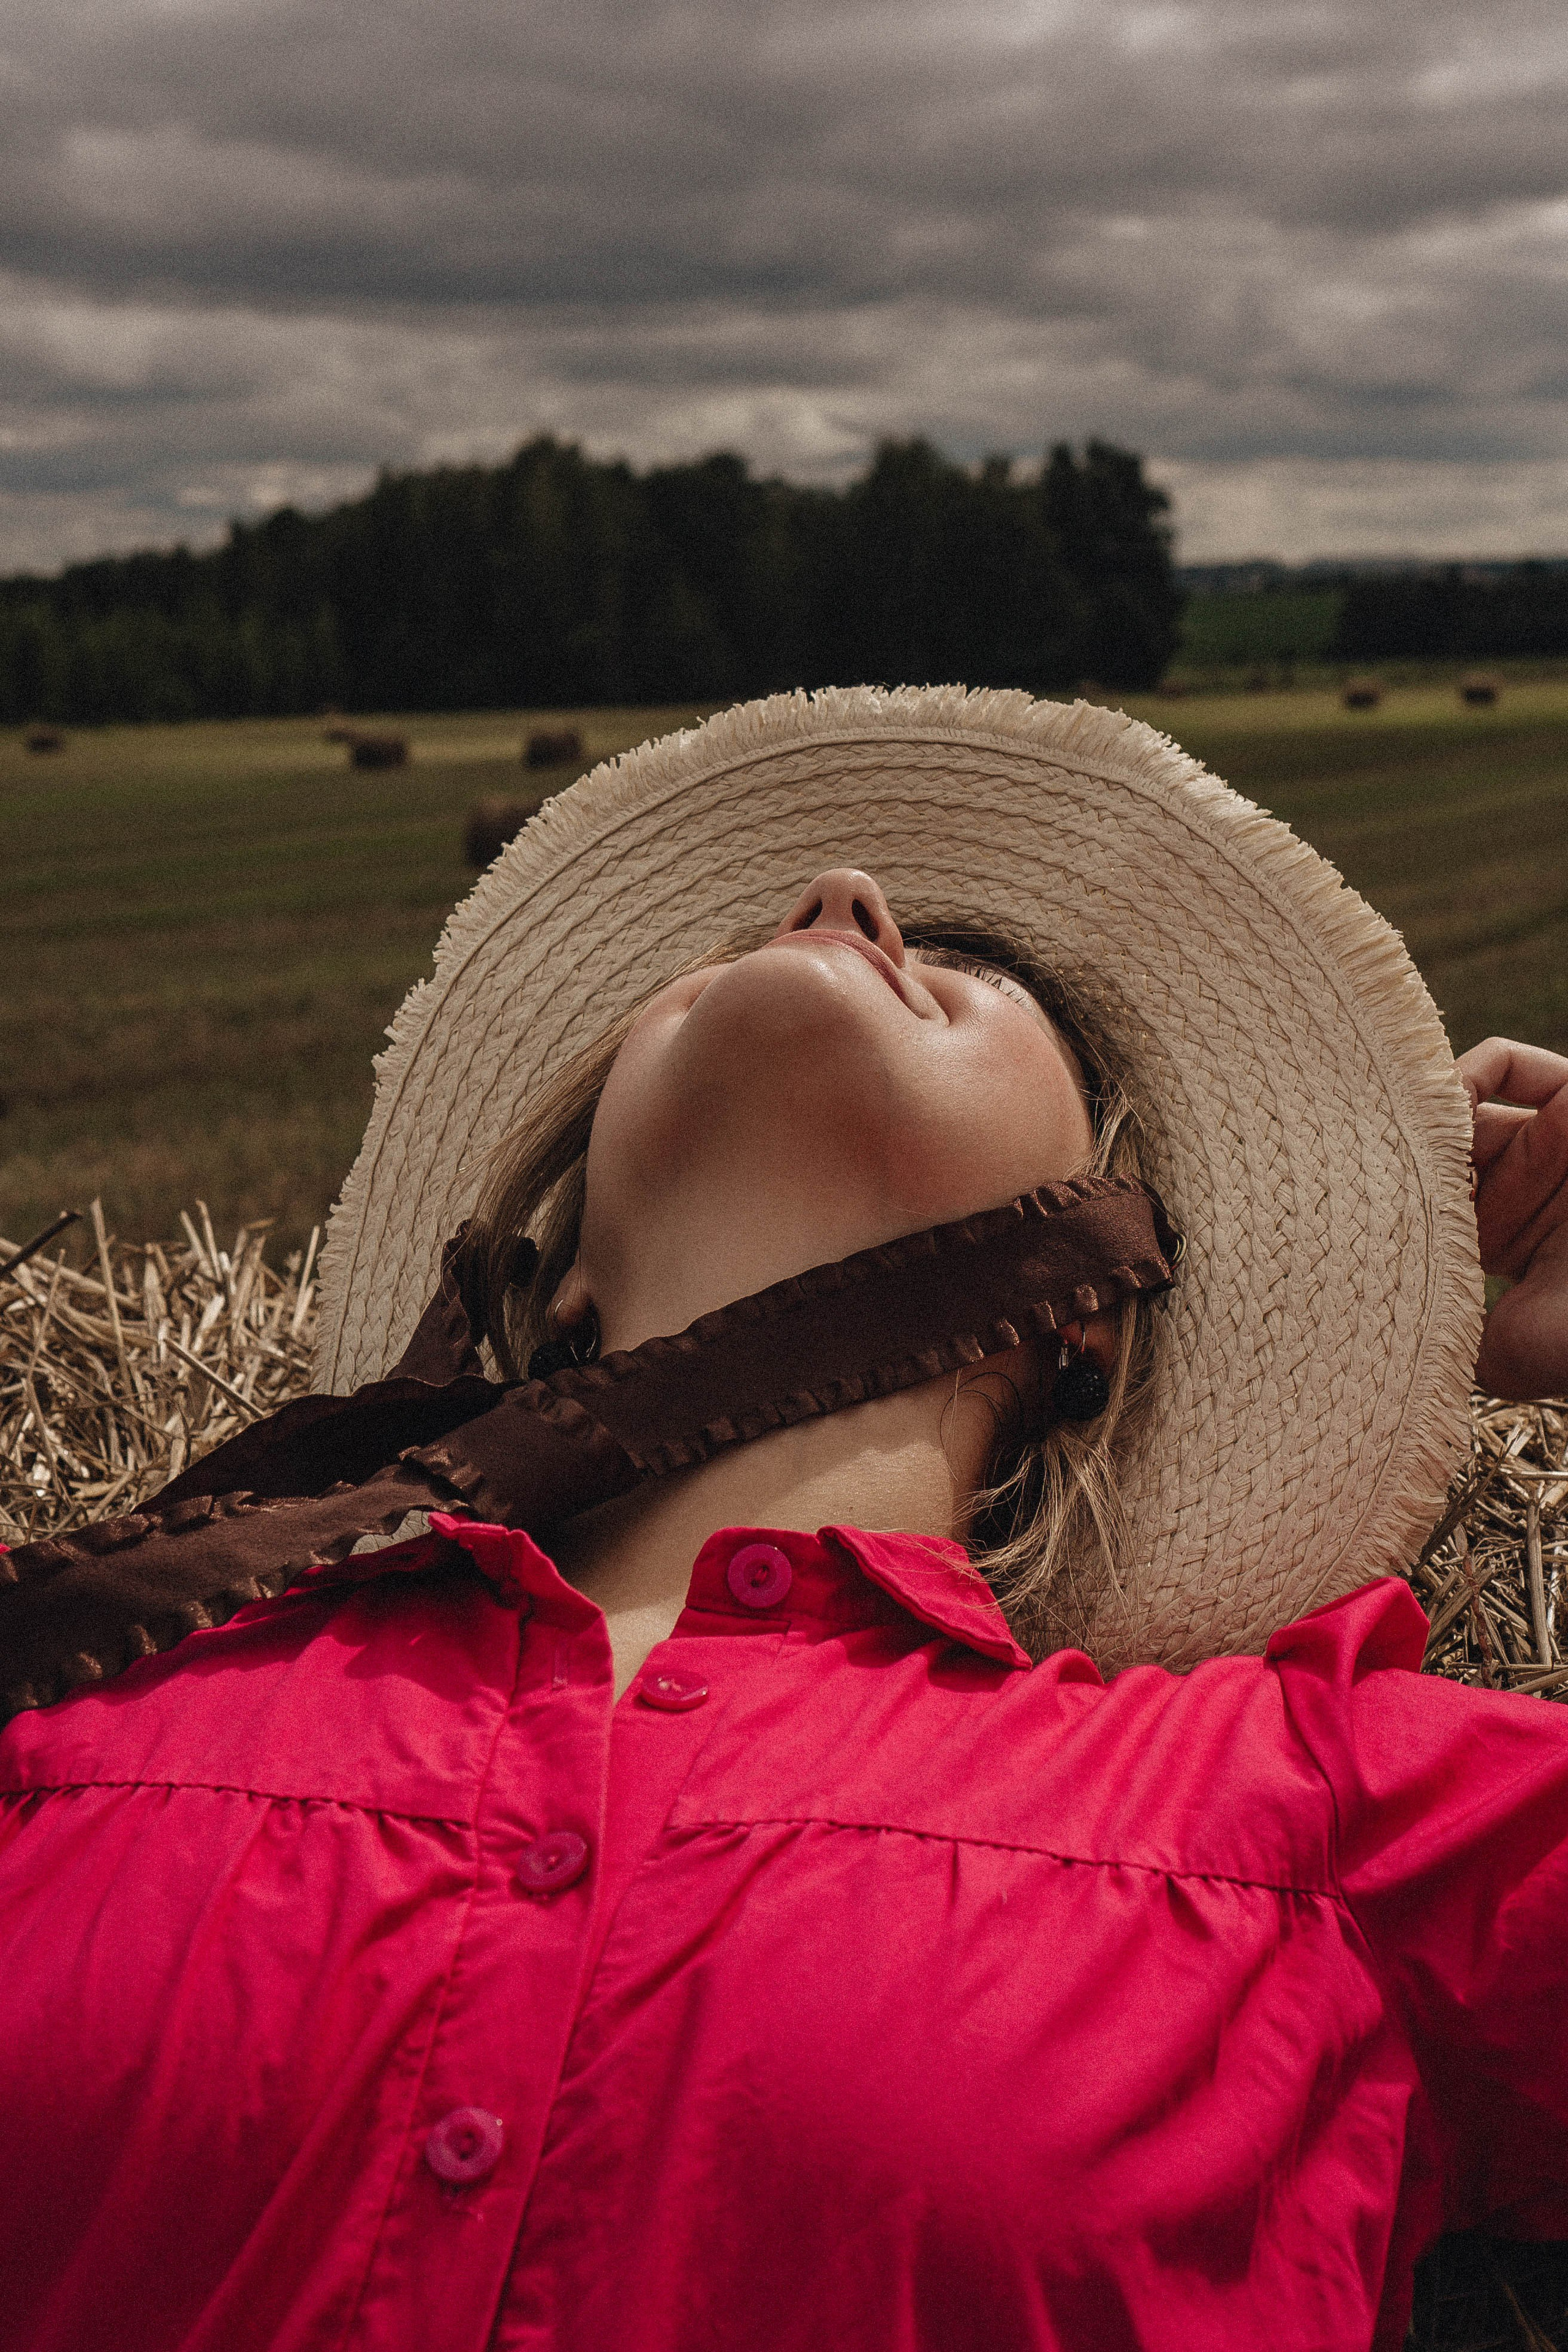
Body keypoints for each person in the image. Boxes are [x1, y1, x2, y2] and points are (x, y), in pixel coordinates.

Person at [1, 684, 1566, 2352]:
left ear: (1092, 1303)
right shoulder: (90, 1700)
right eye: (775, 917)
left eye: (1001, 983)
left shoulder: (1314, 1816)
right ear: (564, 1279)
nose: (837, 896)